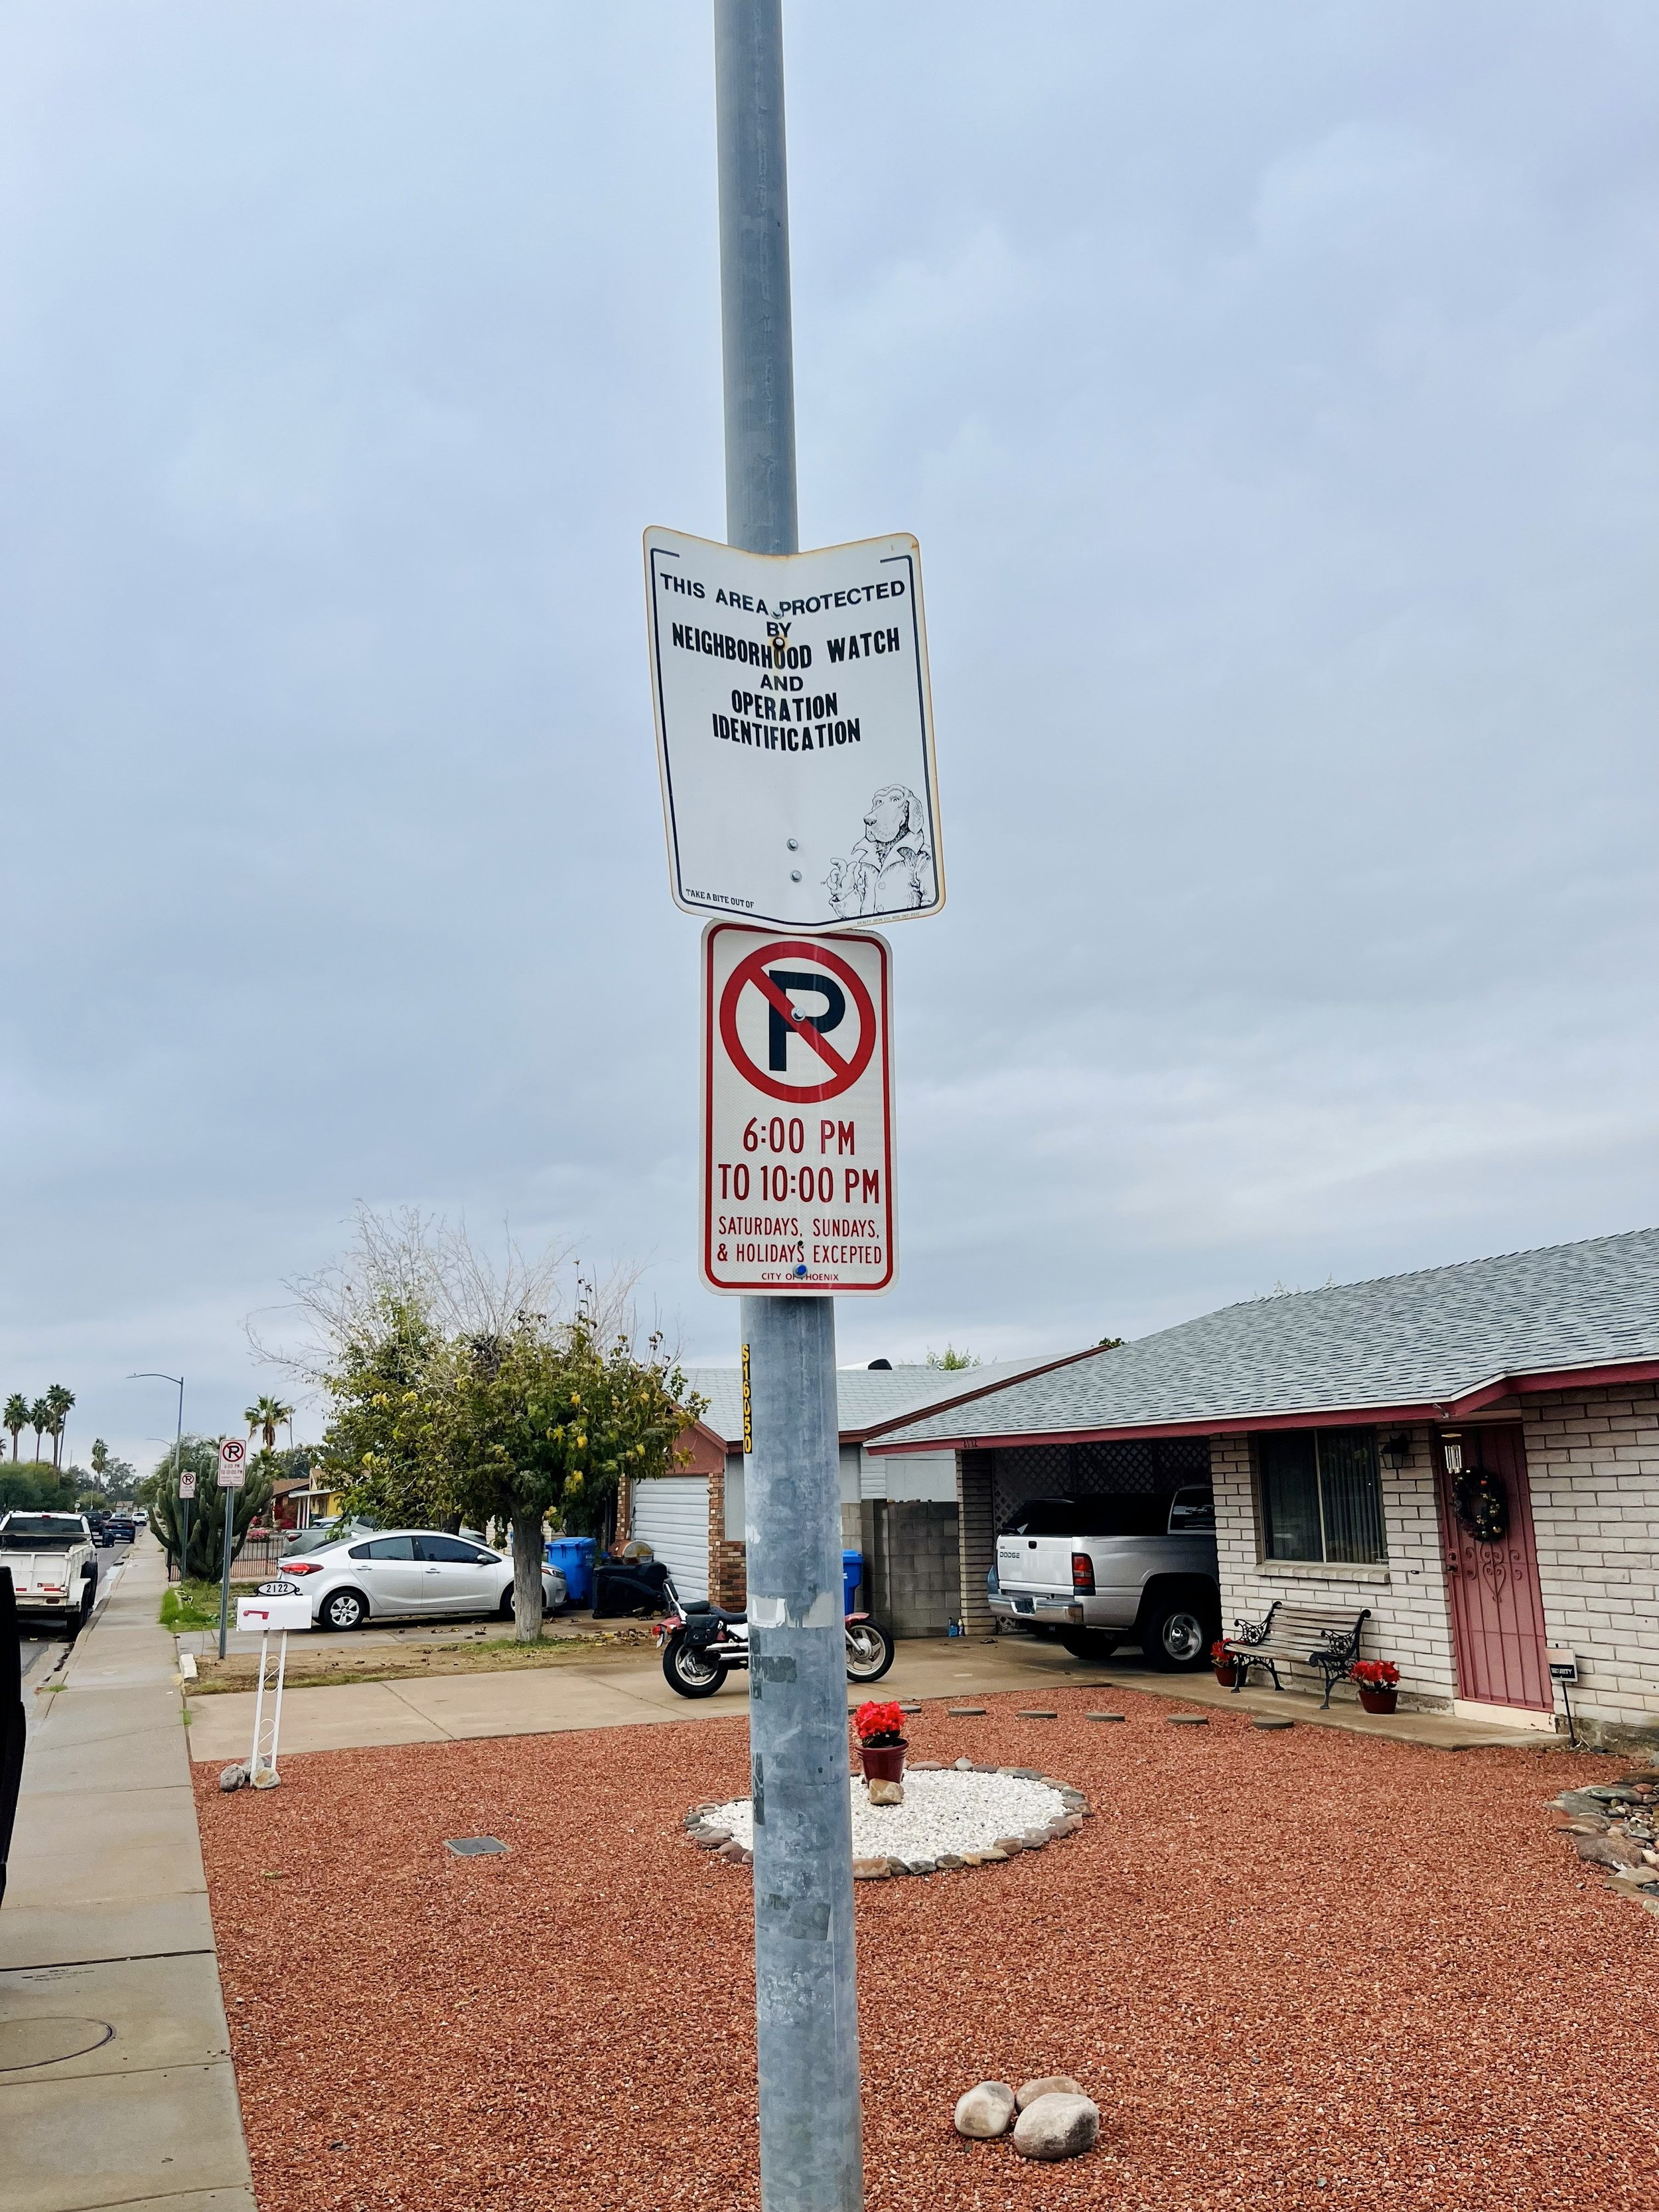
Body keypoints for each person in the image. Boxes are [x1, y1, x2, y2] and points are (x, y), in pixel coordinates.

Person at [824, 786, 936, 918]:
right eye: (878, 802)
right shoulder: (868, 863)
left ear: (910, 812)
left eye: (895, 799)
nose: (870, 817)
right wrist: (844, 893)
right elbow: (860, 917)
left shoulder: (922, 859)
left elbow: (931, 913)